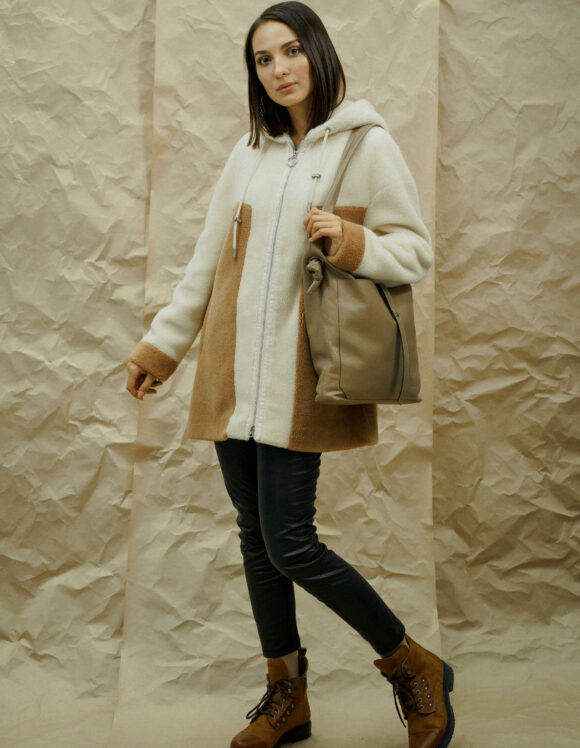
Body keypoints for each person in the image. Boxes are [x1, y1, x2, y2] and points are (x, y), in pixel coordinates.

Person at [126, 2, 455, 747]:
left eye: (291, 50)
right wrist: (160, 349)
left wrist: (351, 240)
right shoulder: (249, 153)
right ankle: (288, 695)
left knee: (290, 543)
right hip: (230, 375)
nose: (279, 69)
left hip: (303, 379)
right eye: (263, 58)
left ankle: (413, 665)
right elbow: (205, 265)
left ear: (318, 52)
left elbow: (414, 251)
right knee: (256, 540)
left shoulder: (365, 145)